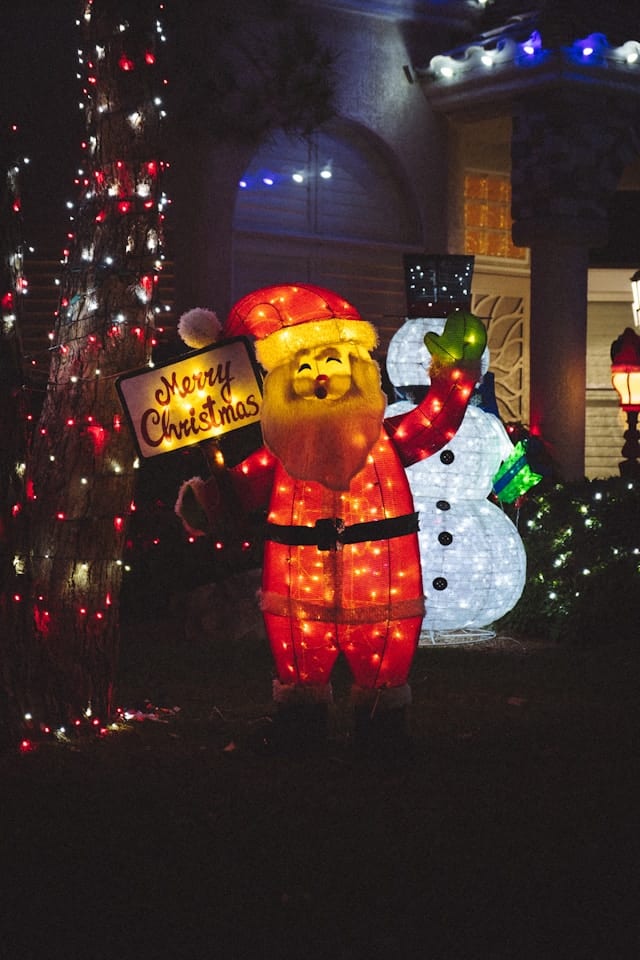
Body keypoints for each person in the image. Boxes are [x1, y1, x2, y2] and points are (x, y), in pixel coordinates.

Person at [176, 284, 485, 754]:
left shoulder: (385, 440)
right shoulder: (282, 452)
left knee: (382, 652)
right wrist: (210, 499)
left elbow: (434, 424)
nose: (320, 378)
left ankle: (381, 730)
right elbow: (241, 488)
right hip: (298, 580)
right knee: (300, 653)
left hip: (382, 577)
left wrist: (454, 377)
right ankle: (300, 726)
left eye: (332, 364)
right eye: (305, 369)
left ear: (358, 371)